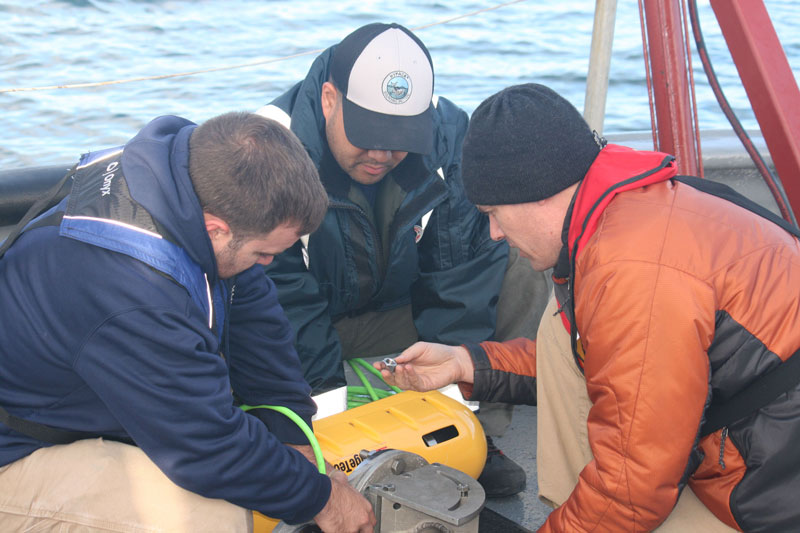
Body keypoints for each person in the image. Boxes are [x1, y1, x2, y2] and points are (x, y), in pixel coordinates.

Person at [376, 83, 800, 532]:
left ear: (538, 191)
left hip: (766, 495)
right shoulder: (626, 211)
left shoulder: (633, 269)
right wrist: (466, 364)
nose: (495, 233)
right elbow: (610, 361)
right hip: (744, 450)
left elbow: (632, 490)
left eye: (494, 212)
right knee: (560, 328)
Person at [0, 112, 375, 532]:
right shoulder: (132, 293)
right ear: (216, 229)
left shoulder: (187, 178)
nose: (268, 265)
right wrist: (322, 498)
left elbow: (253, 313)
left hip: (84, 401)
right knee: (213, 518)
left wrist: (290, 430)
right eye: (263, 254)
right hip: (17, 451)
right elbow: (206, 446)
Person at [256, 22, 551, 498]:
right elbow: (283, 298)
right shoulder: (271, 147)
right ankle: (314, 426)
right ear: (330, 100)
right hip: (310, 317)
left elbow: (461, 276)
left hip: (398, 311)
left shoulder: (450, 136)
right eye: (367, 133)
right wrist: (329, 436)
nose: (380, 153)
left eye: (398, 136)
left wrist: (454, 408)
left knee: (519, 256)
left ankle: (476, 431)